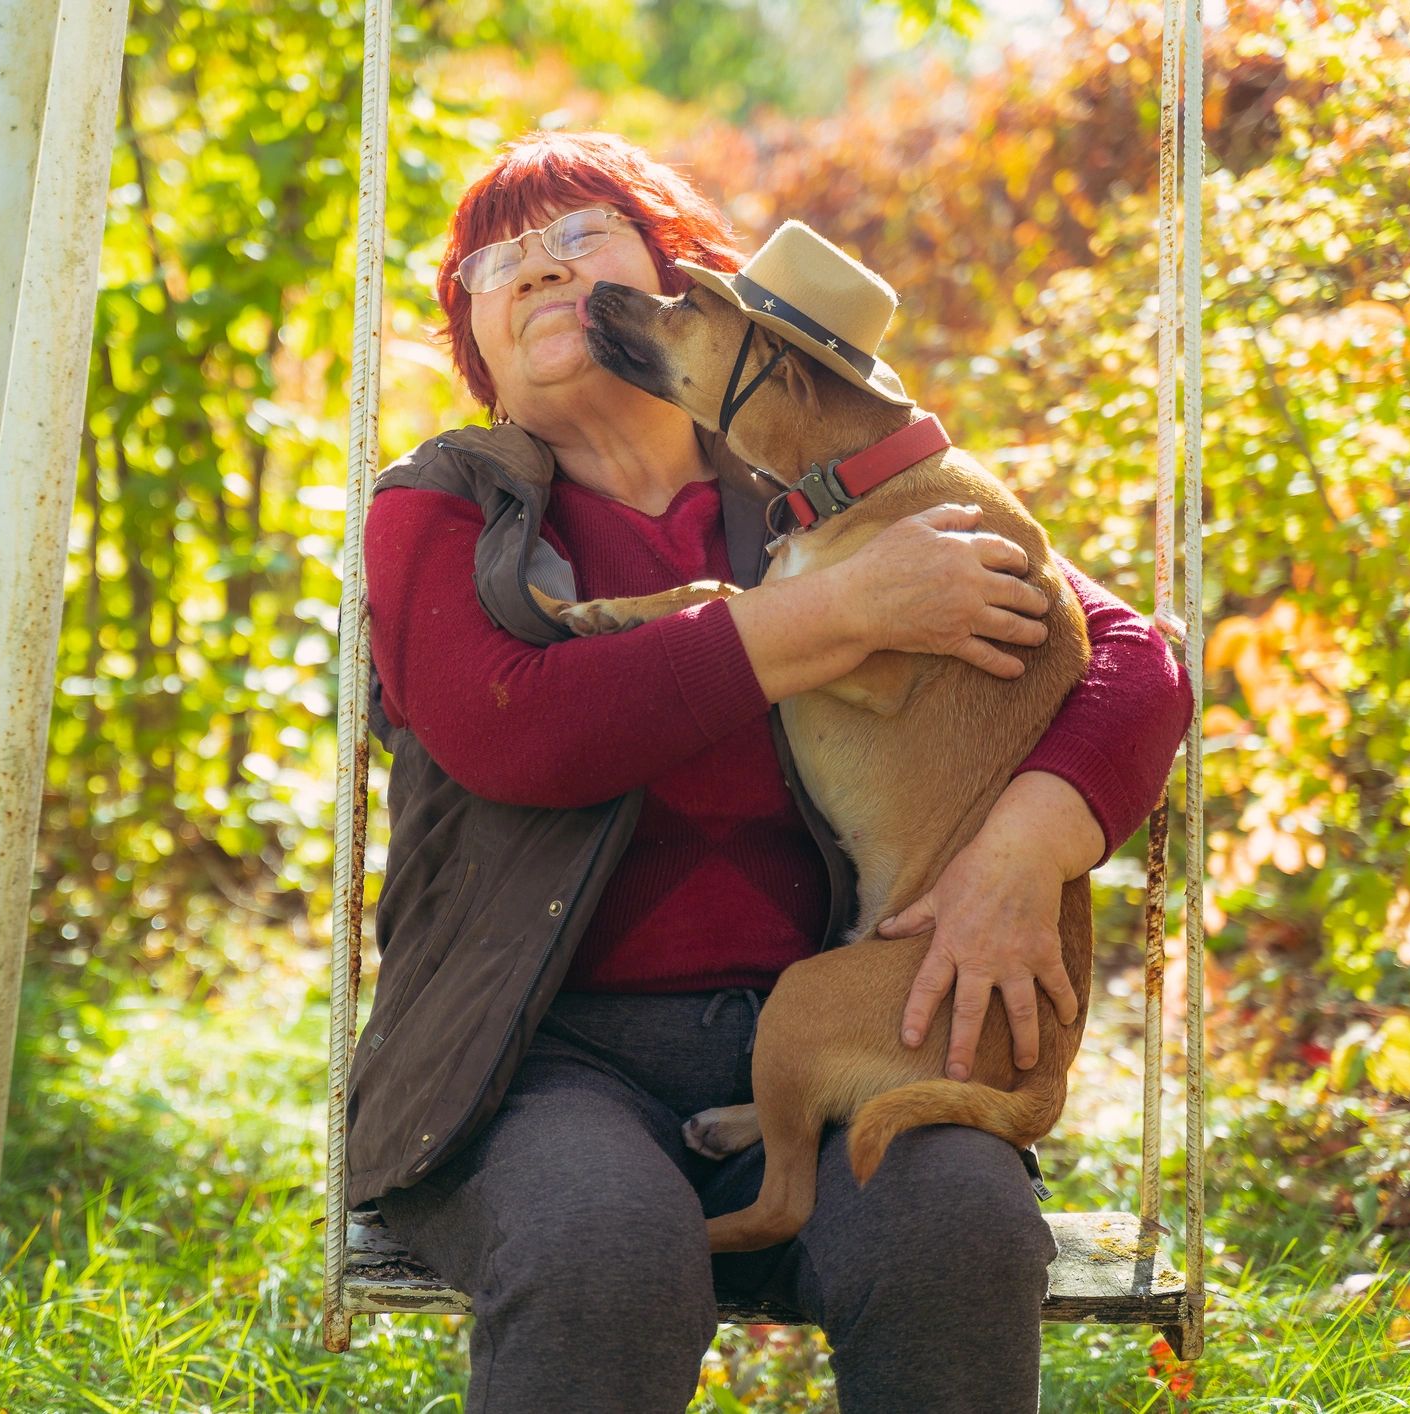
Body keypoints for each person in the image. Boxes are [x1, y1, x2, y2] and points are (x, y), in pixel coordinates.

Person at [346, 130, 1189, 1413]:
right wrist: (839, 614)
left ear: (682, 284)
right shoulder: (444, 510)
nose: (539, 269)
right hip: (537, 1058)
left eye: (580, 235)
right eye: (496, 264)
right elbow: (520, 733)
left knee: (958, 1230)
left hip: (846, 1029)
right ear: (475, 339)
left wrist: (1026, 844)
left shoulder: (829, 488)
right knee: (601, 1254)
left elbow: (1132, 655)